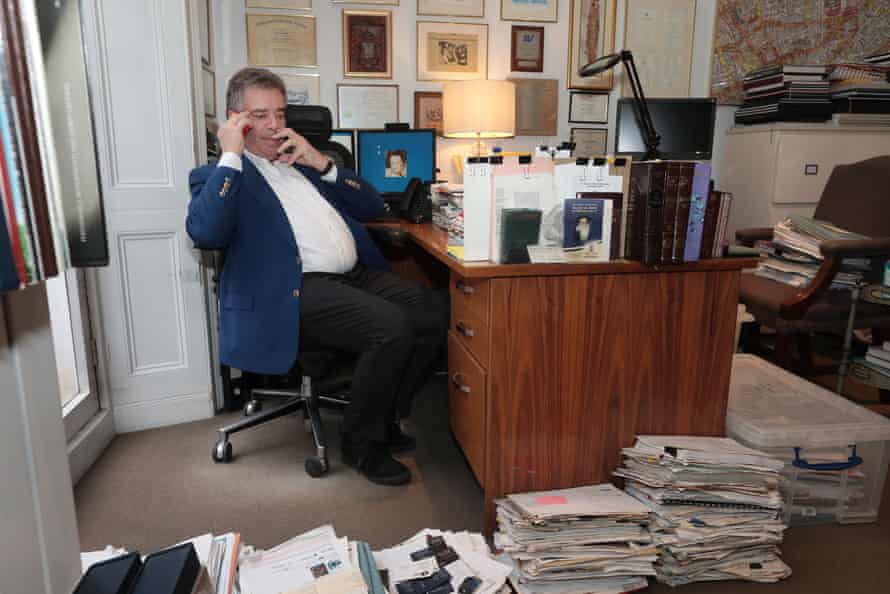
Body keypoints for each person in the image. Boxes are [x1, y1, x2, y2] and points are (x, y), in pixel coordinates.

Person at [186, 68, 448, 486]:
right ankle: (362, 445)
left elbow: (373, 206)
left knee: (435, 313)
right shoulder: (220, 176)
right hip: (291, 291)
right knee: (391, 329)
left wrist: (321, 162)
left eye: (280, 113)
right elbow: (205, 232)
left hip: (353, 275)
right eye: (261, 114)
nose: (274, 125)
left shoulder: (300, 163)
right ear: (236, 119)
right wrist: (231, 156)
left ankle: (381, 417)